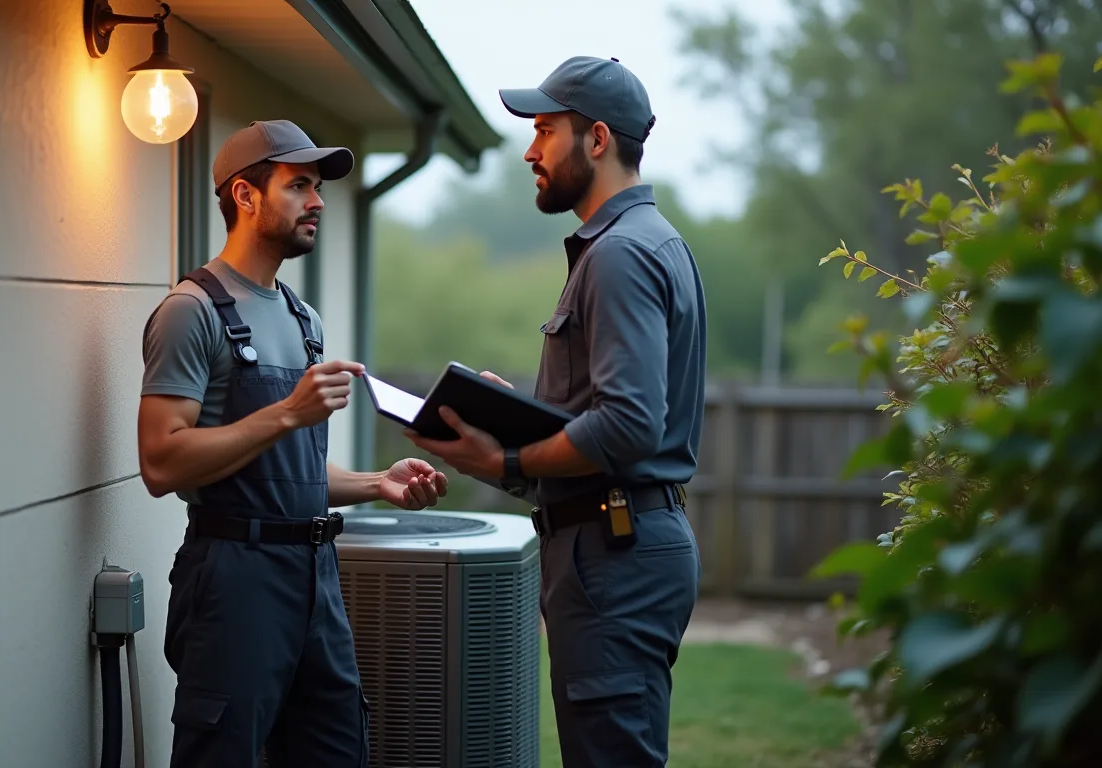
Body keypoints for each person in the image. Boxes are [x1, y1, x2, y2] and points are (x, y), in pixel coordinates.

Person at [405, 57, 706, 768]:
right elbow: (611, 409)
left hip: (614, 550)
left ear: (597, 139)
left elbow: (629, 425)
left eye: (545, 130)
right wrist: (517, 415)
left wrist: (504, 460)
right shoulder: (652, 241)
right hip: (621, 542)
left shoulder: (619, 255)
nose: (530, 151)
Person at [137, 119, 449, 768]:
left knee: (339, 751)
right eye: (299, 185)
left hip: (316, 577)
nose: (318, 202)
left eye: (318, 187)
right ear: (246, 197)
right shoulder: (191, 311)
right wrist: (286, 413)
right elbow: (160, 462)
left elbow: (286, 467)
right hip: (233, 579)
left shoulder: (304, 320)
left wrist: (375, 484)